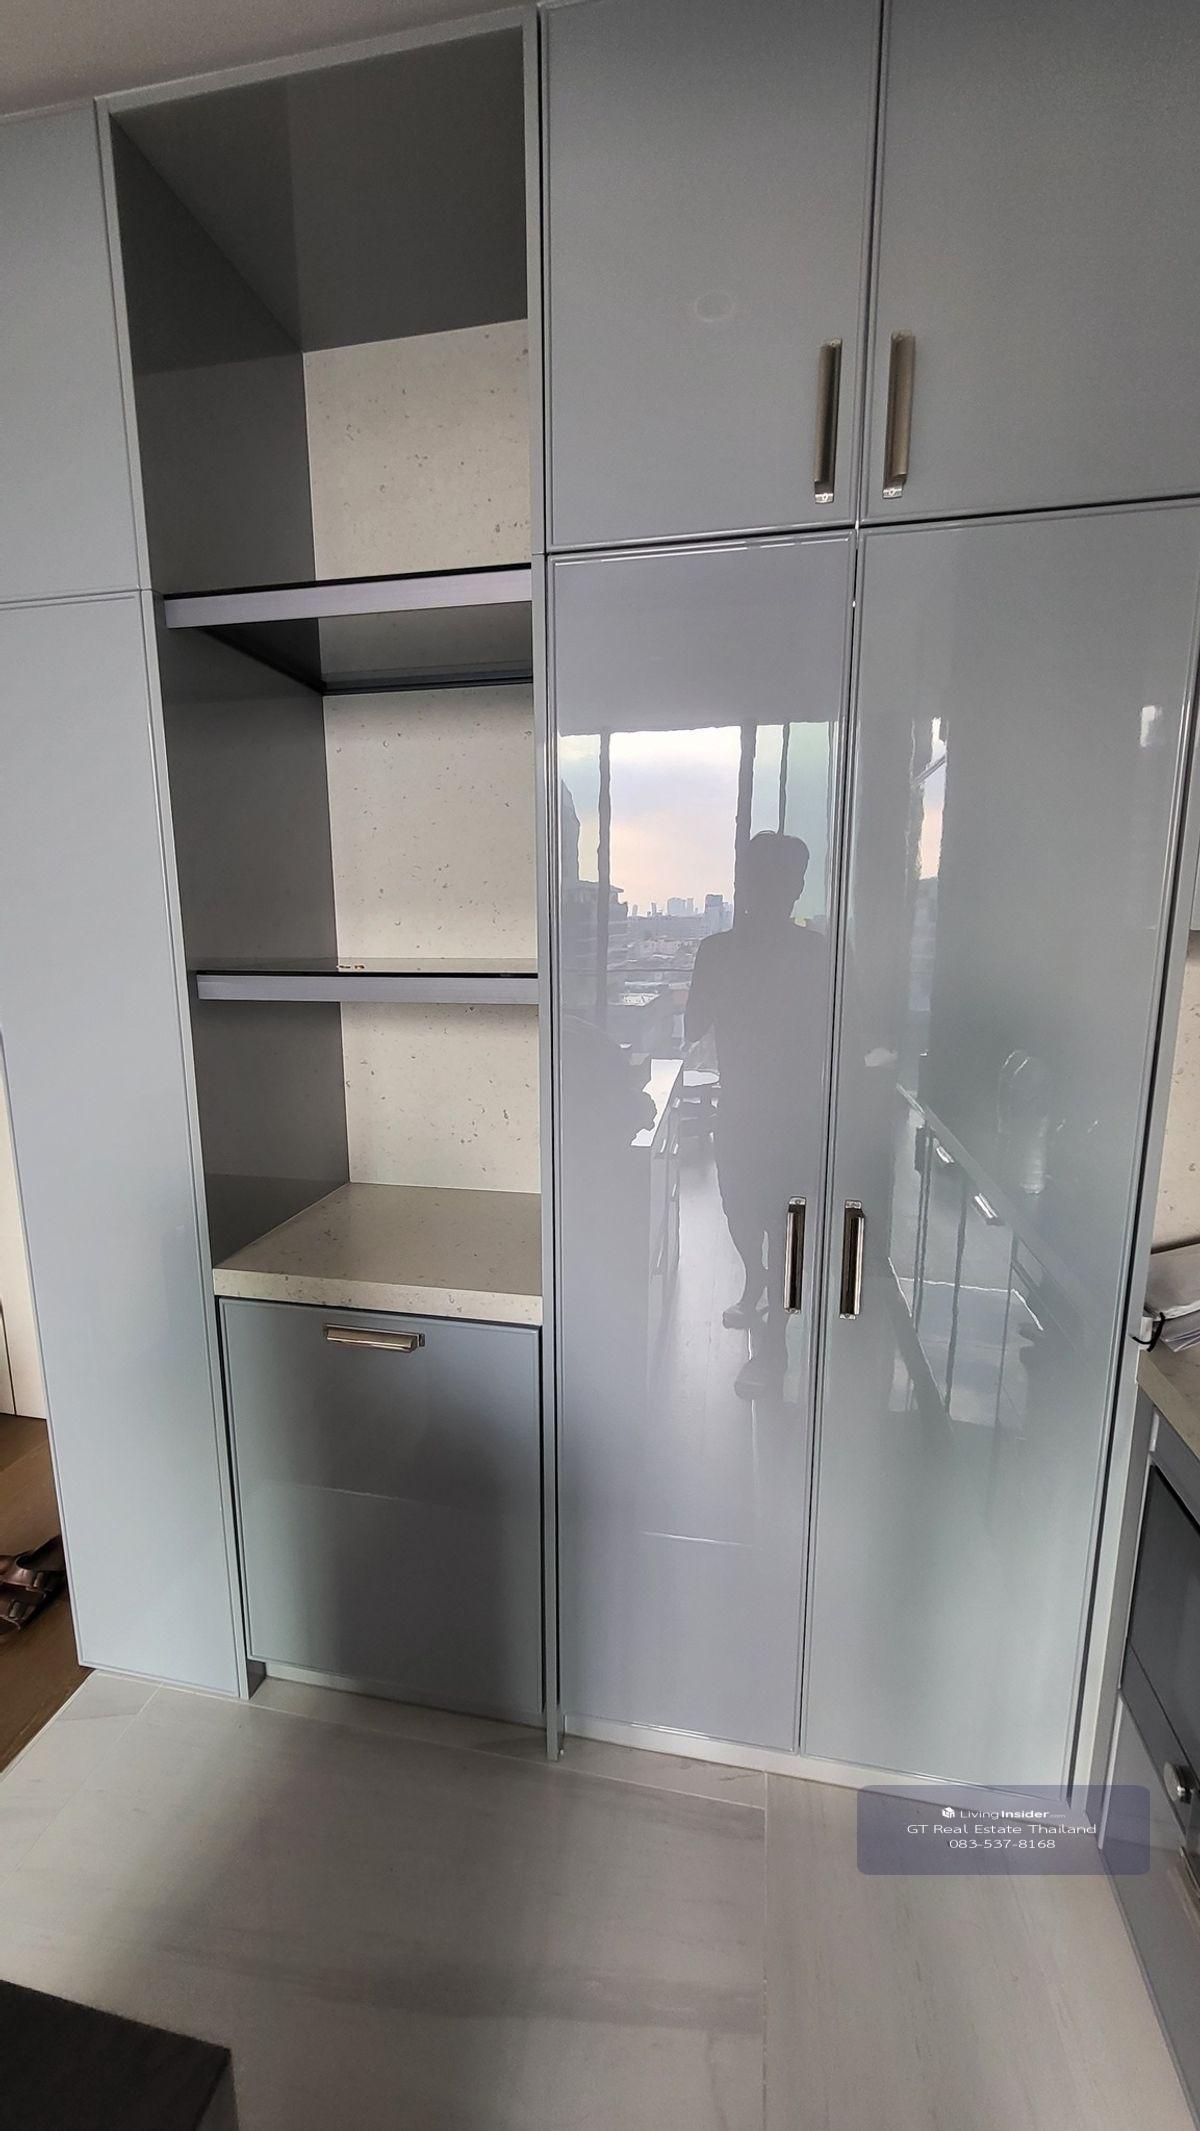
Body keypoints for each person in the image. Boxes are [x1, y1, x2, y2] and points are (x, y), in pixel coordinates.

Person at [685, 830, 827, 1397]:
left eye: (777, 879)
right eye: (758, 878)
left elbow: (848, 1032)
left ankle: (775, 1348)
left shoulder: (813, 953)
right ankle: (756, 1283)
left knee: (782, 1225)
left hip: (792, 1114)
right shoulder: (719, 951)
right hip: (747, 1107)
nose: (766, 890)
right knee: (741, 1212)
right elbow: (696, 1023)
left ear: (794, 888)